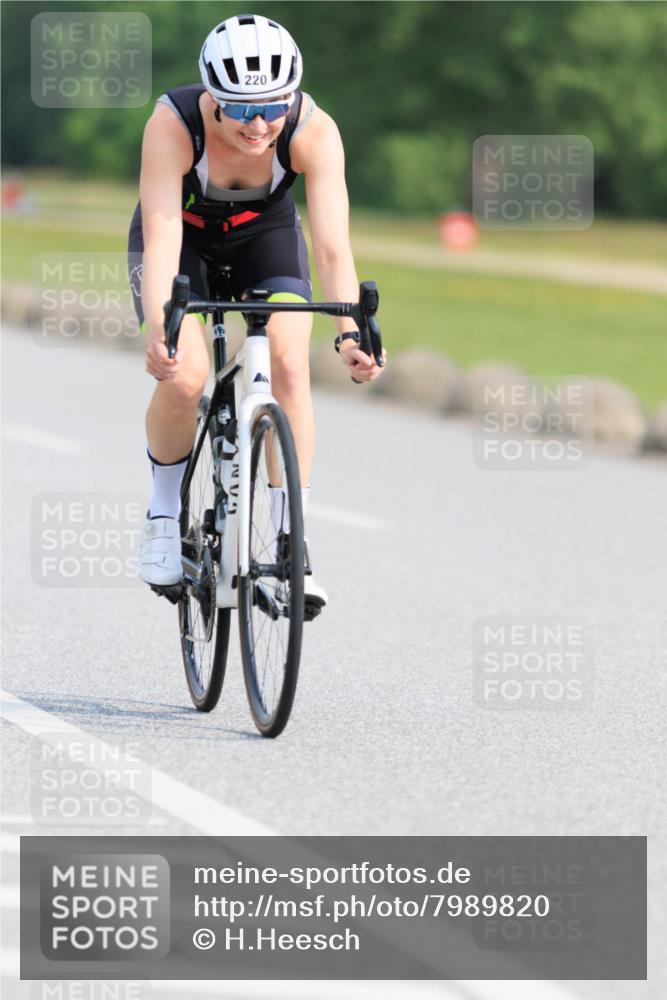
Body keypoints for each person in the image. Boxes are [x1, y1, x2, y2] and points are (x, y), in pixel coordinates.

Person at [128, 13, 385, 614]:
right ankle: (164, 517)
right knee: (185, 375)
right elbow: (162, 241)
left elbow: (330, 248)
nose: (260, 123)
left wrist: (349, 332)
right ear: (212, 98)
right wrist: (163, 325)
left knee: (291, 369)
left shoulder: (313, 133)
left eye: (273, 105)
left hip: (263, 238)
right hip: (180, 242)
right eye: (242, 109)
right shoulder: (173, 125)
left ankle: (293, 545)